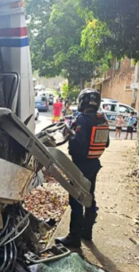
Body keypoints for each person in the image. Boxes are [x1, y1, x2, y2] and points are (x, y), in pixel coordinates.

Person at [55, 88, 110, 248]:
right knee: (90, 196)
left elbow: (77, 145)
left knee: (76, 200)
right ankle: (87, 232)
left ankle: (74, 237)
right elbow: (106, 142)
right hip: (94, 164)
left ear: (82, 102)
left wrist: (69, 133)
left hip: (80, 166)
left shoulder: (82, 120)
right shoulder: (102, 119)